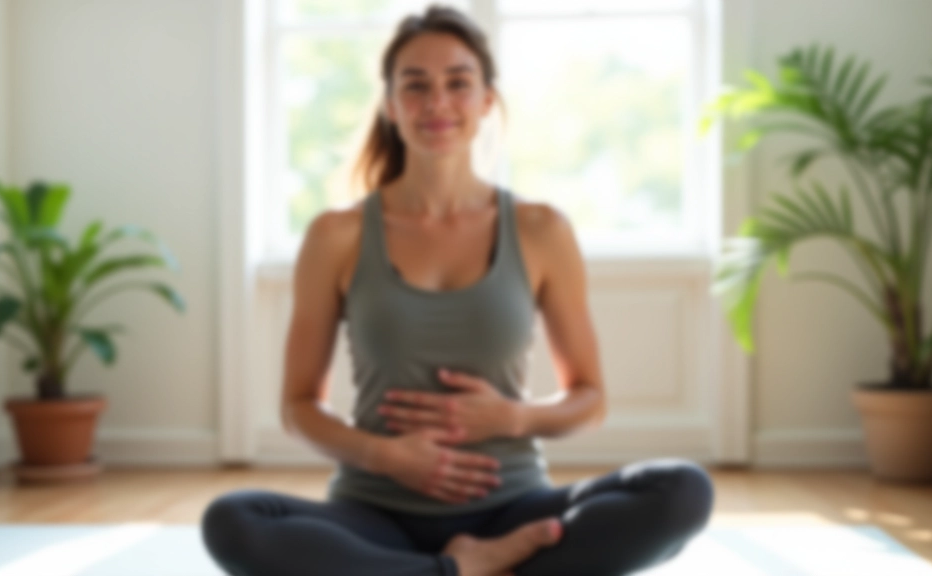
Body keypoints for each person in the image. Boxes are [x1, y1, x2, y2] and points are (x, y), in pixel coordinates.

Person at [201, 4, 714, 575]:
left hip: (511, 507)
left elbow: (589, 399)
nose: (437, 102)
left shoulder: (540, 229)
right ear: (391, 104)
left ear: (487, 100)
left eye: (458, 83)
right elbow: (298, 406)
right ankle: (468, 571)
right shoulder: (336, 236)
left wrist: (512, 419)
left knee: (682, 490)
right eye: (415, 85)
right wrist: (384, 456)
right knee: (233, 520)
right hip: (376, 512)